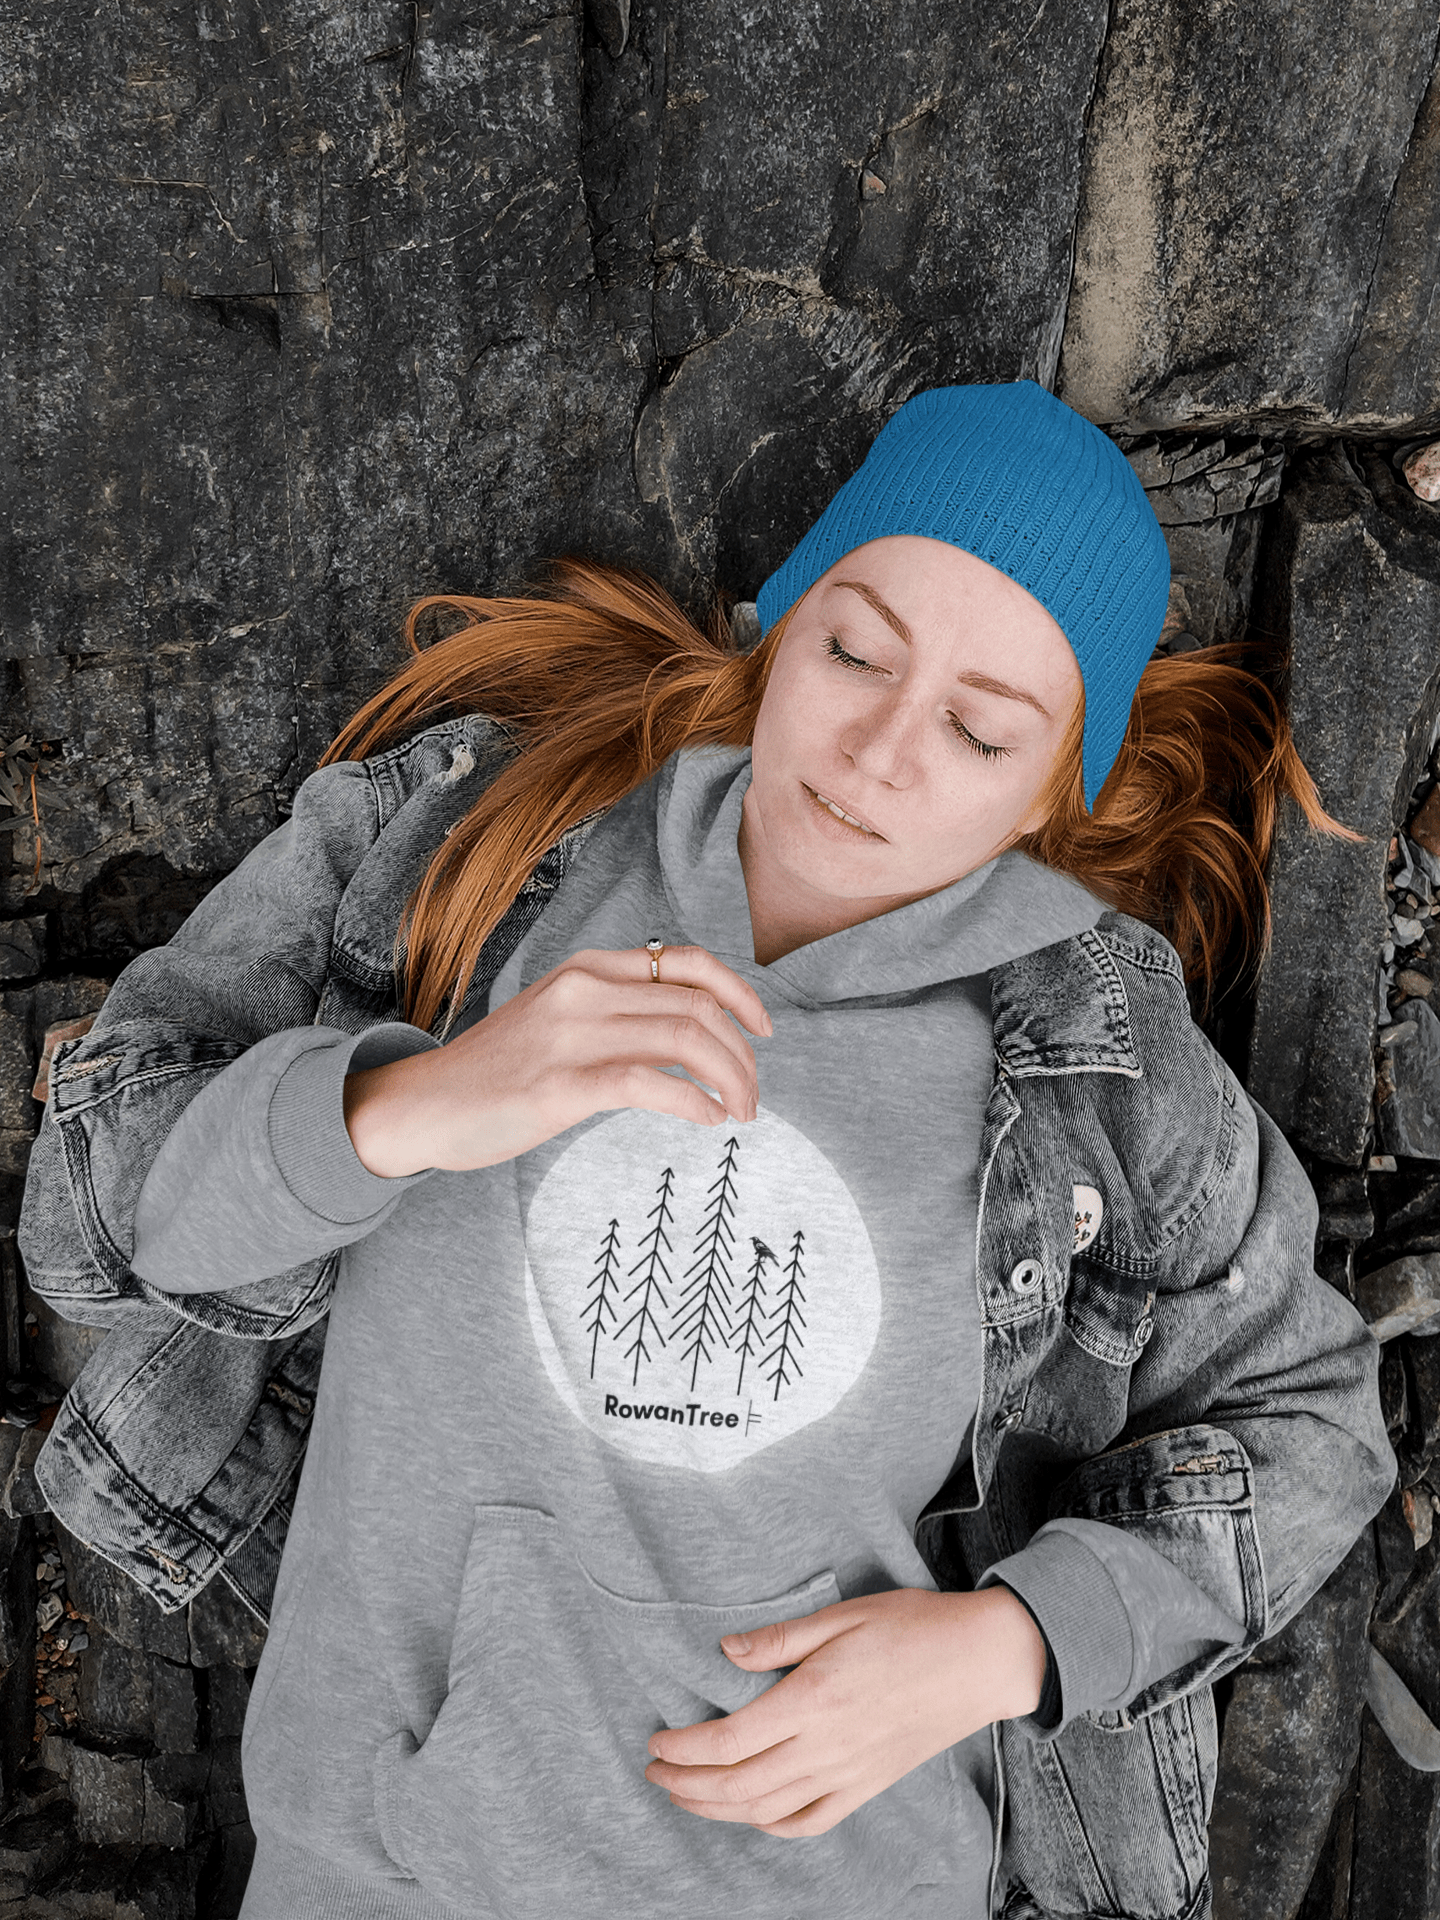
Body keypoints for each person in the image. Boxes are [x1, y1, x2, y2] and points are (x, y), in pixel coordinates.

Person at [18, 381, 1394, 1920]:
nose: (879, 753)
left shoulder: (1102, 1049)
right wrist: (416, 1103)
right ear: (781, 624)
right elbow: (99, 1215)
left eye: (980, 729)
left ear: (1051, 793)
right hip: (384, 1869)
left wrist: (1012, 1644)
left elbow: (1317, 1420)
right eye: (856, 650)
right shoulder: (465, 845)